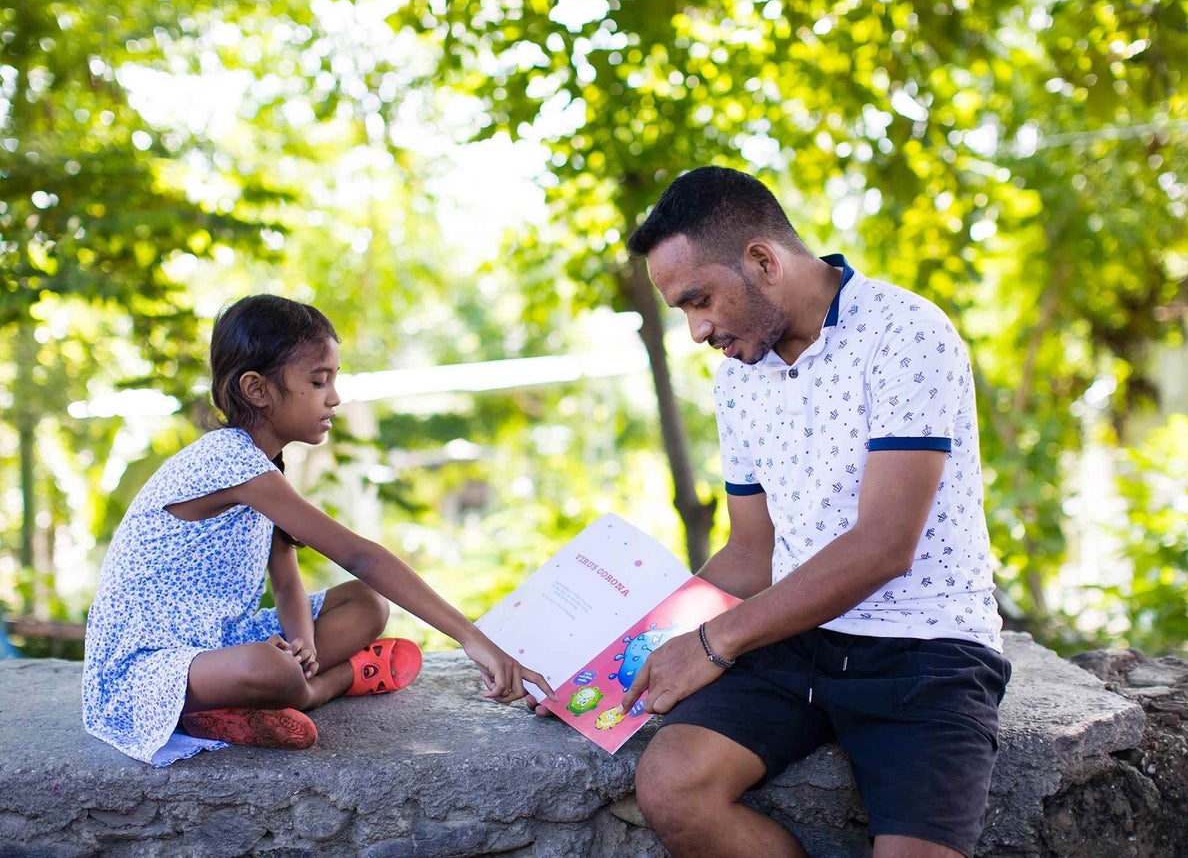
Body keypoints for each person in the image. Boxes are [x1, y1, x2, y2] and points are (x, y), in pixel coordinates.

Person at [620, 167, 1009, 858]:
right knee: (673, 783)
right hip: (798, 638)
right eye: (683, 309)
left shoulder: (907, 333)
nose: (696, 329)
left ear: (763, 261)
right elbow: (749, 555)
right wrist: (612, 660)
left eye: (699, 299)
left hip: (928, 648)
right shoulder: (737, 376)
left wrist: (715, 642)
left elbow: (885, 545)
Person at [83, 294, 554, 766]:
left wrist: (303, 636)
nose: (334, 397)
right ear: (257, 389)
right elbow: (361, 556)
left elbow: (285, 573)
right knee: (271, 667)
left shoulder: (263, 467)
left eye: (334, 379)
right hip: (147, 669)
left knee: (366, 603)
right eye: (318, 381)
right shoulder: (226, 459)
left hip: (220, 641)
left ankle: (248, 699)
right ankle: (330, 684)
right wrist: (472, 638)